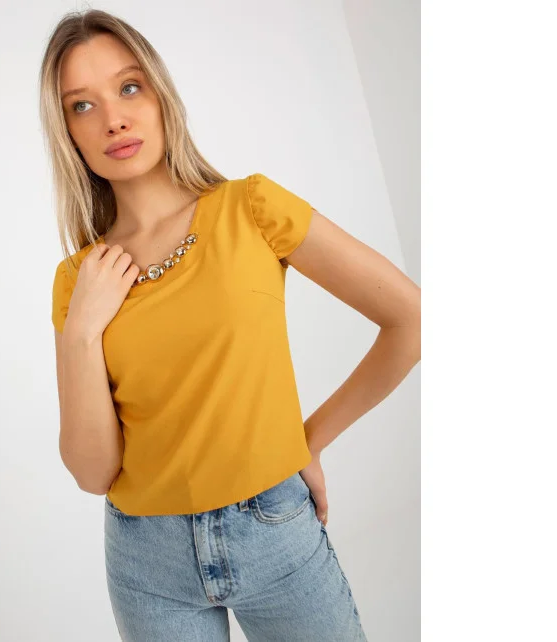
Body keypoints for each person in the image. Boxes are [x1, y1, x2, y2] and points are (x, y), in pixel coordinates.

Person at [40, 8, 420, 641]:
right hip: (146, 561)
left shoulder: (252, 208)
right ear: (68, 134)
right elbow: (92, 473)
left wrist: (308, 440)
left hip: (276, 529)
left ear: (161, 95)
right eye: (82, 105)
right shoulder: (79, 278)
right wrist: (82, 332)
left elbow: (410, 319)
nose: (114, 119)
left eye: (129, 87)